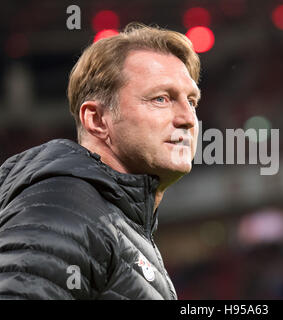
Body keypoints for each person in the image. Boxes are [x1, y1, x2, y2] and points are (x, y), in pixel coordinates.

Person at [0, 22, 201, 299]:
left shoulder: (113, 219)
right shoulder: (65, 205)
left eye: (191, 101)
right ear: (96, 120)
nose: (187, 119)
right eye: (161, 99)